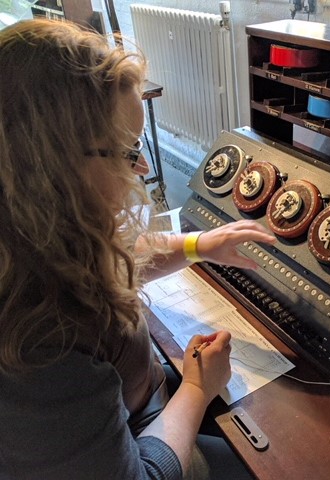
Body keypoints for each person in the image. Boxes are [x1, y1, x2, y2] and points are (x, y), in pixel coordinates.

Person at [0, 18, 276, 479]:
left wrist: (197, 244)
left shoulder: (32, 235)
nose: (144, 165)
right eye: (126, 151)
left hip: (137, 403)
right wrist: (195, 387)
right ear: (52, 166)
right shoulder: (39, 341)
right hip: (139, 436)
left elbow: (113, 254)